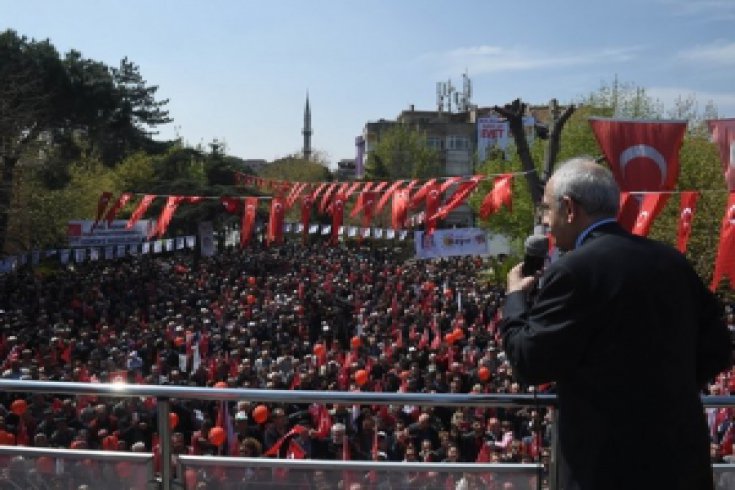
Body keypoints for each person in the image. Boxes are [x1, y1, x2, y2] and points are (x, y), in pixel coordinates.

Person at [500, 157, 731, 490]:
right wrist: (663, 386)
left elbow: (529, 362)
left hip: (605, 467)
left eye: (547, 210)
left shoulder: (572, 271)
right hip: (680, 463)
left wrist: (515, 299)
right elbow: (719, 350)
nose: (545, 222)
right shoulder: (671, 260)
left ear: (569, 208)